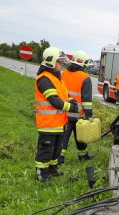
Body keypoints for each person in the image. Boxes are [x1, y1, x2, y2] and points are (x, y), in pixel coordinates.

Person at [34, 47, 80, 182]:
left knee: (56, 150)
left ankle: (52, 171)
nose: (61, 65)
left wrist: (74, 102)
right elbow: (55, 101)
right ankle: (42, 175)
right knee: (46, 151)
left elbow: (65, 96)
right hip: (48, 124)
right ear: (51, 62)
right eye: (59, 62)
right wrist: (73, 108)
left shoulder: (57, 78)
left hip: (59, 123)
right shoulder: (44, 79)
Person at [59, 50, 95, 164]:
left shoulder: (63, 74)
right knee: (80, 136)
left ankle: (60, 158)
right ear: (83, 64)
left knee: (64, 136)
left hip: (64, 111)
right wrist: (89, 114)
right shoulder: (85, 78)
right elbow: (87, 100)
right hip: (79, 114)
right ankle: (83, 156)